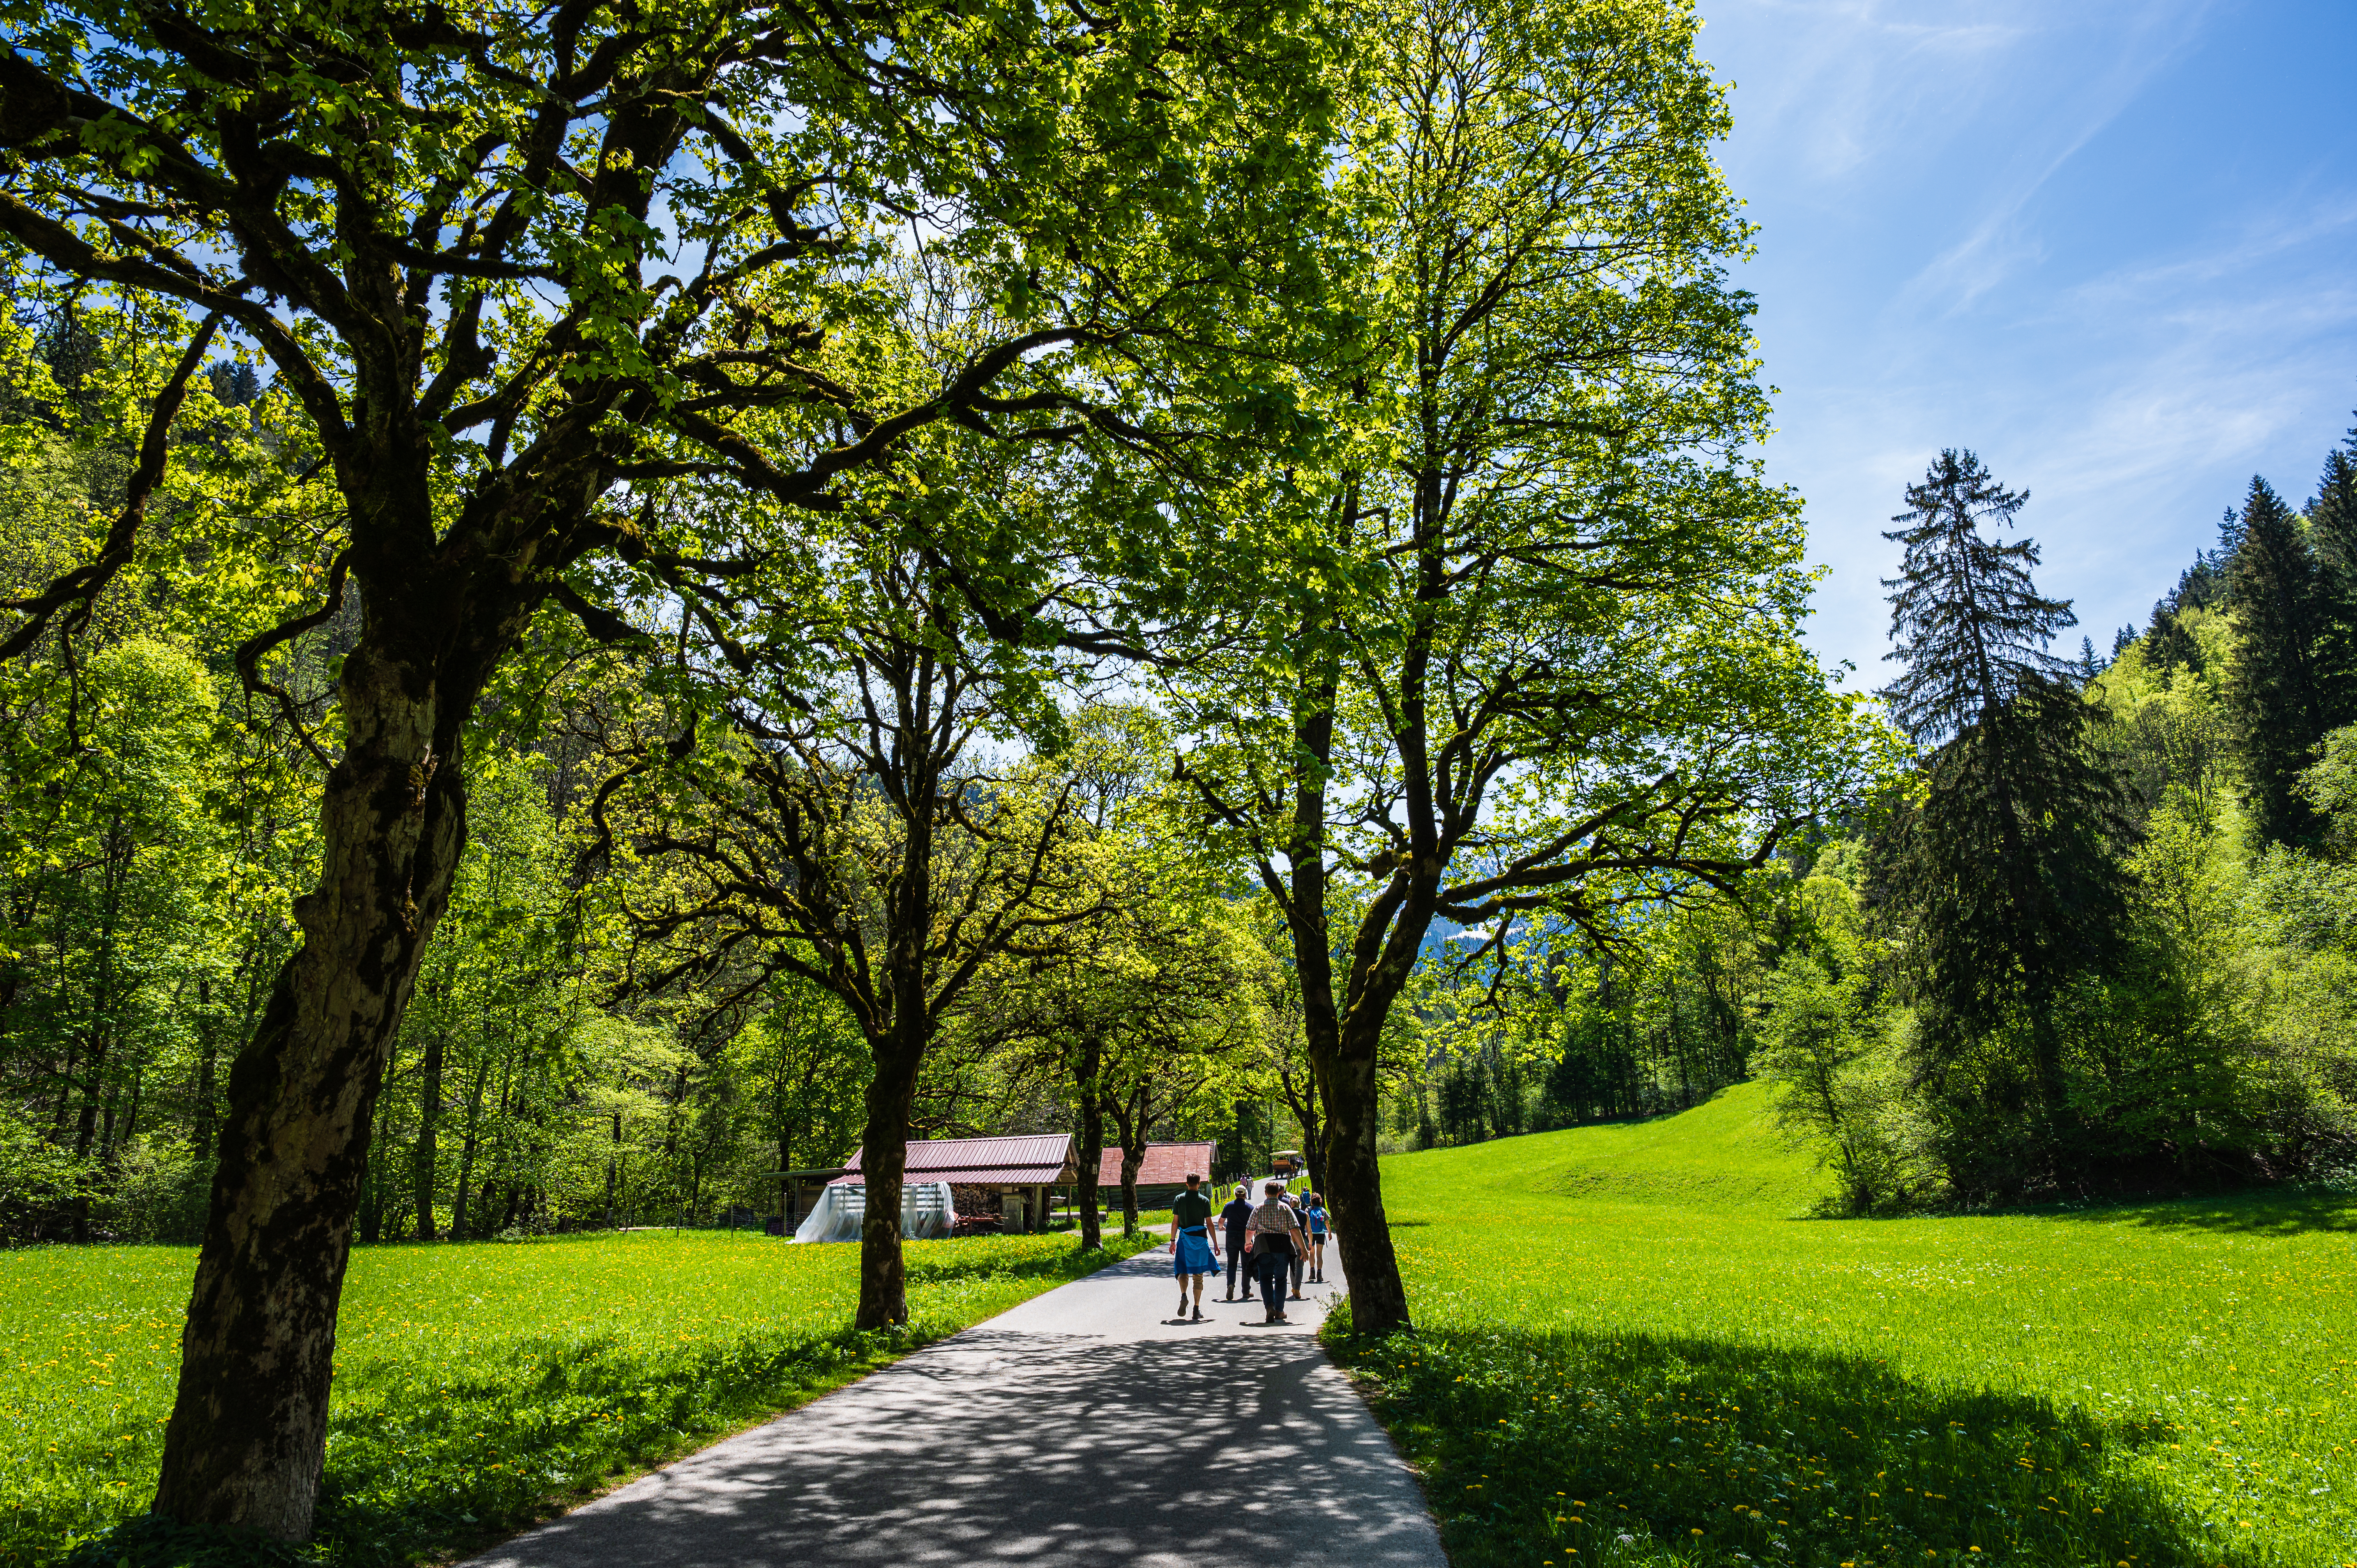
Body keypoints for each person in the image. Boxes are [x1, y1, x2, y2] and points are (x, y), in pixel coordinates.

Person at [1245, 1179, 1304, 1324]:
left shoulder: (1258, 1208)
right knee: (1281, 1279)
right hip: (1282, 1247)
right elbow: (1295, 1229)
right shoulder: (1286, 1208)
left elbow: (1250, 1229)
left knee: (1265, 1279)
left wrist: (1248, 1243)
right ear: (1279, 1193)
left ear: (1266, 1193)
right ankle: (1279, 1311)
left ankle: (1269, 1306)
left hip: (1263, 1247)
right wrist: (1303, 1249)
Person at [1168, 1172, 1218, 1321]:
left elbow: (1175, 1222)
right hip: (1200, 1241)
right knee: (1198, 1275)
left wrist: (1173, 1241)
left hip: (1184, 1241)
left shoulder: (1179, 1199)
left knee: (1183, 1270)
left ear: (1187, 1183)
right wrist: (1216, 1244)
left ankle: (1184, 1295)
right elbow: (1210, 1224)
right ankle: (1196, 1309)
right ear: (1199, 1184)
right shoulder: (1204, 1200)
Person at [1219, 1183, 1254, 1302]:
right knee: (1246, 1264)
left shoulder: (1228, 1206)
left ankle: (1231, 1285)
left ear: (1235, 1194)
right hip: (1246, 1238)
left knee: (1232, 1264)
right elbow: (1255, 1225)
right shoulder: (1250, 1208)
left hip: (1231, 1237)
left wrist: (1222, 1228)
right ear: (1245, 1195)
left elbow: (1221, 1222)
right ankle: (1246, 1291)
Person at [1282, 1188, 1307, 1299]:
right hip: (1302, 1241)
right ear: (1299, 1203)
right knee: (1300, 1265)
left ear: (1290, 1204)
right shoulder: (1305, 1214)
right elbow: (1309, 1231)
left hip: (1291, 1241)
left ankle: (1294, 1288)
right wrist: (1310, 1243)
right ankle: (1298, 1288)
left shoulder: (1288, 1213)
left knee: (1292, 1265)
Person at [1303, 1192, 1329, 1284]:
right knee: (1319, 1255)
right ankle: (1319, 1275)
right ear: (1320, 1202)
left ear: (1312, 1201)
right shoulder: (1323, 1210)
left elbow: (1305, 1221)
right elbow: (1327, 1223)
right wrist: (1330, 1233)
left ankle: (1312, 1274)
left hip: (1311, 1234)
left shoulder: (1308, 1210)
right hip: (1321, 1234)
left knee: (1312, 1254)